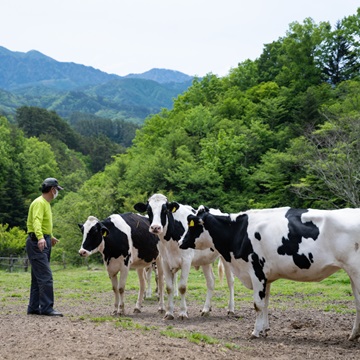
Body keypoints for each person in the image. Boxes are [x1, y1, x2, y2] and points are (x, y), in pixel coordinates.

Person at [26, 177, 64, 316]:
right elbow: (36, 221)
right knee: (46, 276)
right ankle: (47, 308)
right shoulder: (39, 203)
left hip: (43, 240)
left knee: (37, 277)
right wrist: (41, 237)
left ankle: (34, 307)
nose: (57, 193)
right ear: (52, 189)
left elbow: (44, 223)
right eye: (56, 190)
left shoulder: (46, 203)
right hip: (37, 242)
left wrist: (50, 236)